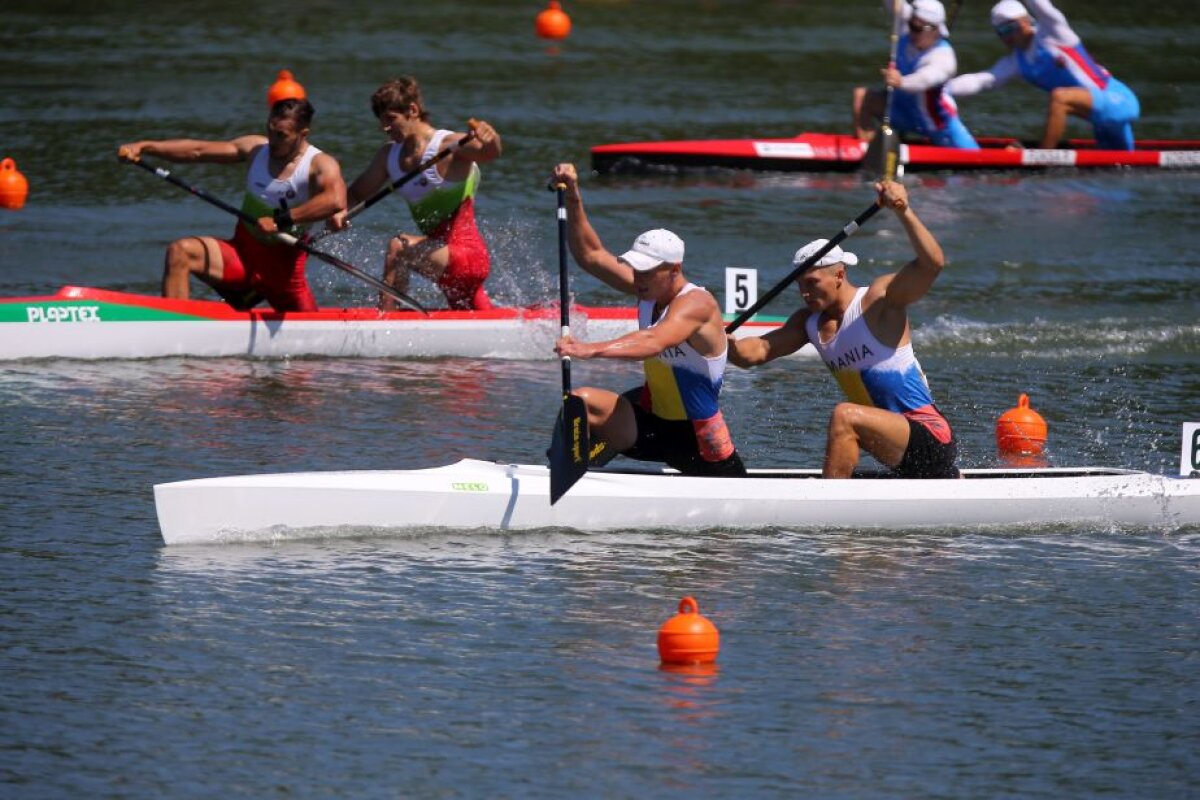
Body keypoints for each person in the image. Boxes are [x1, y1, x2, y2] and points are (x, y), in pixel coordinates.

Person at [727, 180, 958, 479]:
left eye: (812, 283)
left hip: (930, 437)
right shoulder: (807, 323)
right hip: (892, 445)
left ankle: (827, 509)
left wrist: (903, 210)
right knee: (847, 417)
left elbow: (932, 264)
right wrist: (718, 340)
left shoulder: (877, 301)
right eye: (800, 285)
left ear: (839, 274)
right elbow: (752, 353)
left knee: (844, 415)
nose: (805, 293)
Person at [549, 163, 746, 477]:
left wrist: (589, 349)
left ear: (674, 269)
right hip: (650, 424)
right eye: (636, 269)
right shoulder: (648, 289)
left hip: (698, 441)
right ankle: (561, 477)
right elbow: (591, 255)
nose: (638, 278)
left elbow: (653, 341)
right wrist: (573, 195)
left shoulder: (697, 303)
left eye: (647, 271)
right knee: (580, 404)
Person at [117, 98, 346, 312]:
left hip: (283, 277)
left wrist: (281, 220)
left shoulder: (319, 163)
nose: (272, 141)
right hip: (242, 258)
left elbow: (334, 200)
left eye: (281, 135)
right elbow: (198, 151)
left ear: (302, 134)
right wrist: (146, 146)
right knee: (181, 252)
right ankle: (175, 327)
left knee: (308, 341)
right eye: (269, 130)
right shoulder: (256, 149)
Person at [333, 76, 502, 311]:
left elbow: (488, 153)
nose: (385, 127)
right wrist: (340, 212)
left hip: (468, 257)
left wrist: (491, 138)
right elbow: (358, 192)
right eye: (381, 120)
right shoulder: (388, 156)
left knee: (399, 247)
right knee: (483, 318)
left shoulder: (449, 146)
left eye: (391, 118)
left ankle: (386, 321)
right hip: (439, 259)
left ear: (412, 110)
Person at [946, 0, 1140, 150]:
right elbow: (982, 81)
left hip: (1118, 101)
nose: (1008, 37)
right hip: (1099, 117)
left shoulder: (1054, 33)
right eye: (1001, 32)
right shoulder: (1016, 62)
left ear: (1026, 20)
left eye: (1010, 28)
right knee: (1121, 165)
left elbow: (1040, 5)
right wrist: (941, 89)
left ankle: (1044, 156)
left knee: (1059, 97)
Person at [853, 0, 979, 149]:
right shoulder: (906, 27)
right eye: (911, 26)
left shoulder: (944, 57)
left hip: (937, 125)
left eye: (918, 29)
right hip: (901, 112)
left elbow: (925, 79)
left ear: (935, 30)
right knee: (862, 97)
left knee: (976, 157)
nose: (912, 31)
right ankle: (867, 148)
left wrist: (901, 82)